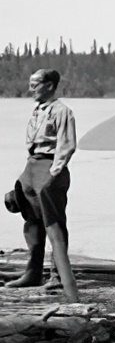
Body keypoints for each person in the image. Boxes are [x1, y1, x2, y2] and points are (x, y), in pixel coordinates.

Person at [6, 69, 78, 296]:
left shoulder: (62, 111)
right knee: (32, 221)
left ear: (49, 85)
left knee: (54, 223)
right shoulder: (38, 111)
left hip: (49, 168)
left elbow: (66, 145)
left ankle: (58, 277)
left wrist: (53, 175)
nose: (31, 89)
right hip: (32, 166)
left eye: (35, 85)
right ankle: (33, 272)